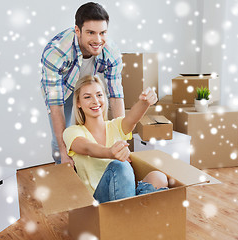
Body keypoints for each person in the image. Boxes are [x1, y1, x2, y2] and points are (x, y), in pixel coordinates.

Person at [40, 2, 124, 166]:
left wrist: (121, 144)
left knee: (92, 135)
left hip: (86, 88)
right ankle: (63, 170)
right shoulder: (55, 52)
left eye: (102, 33)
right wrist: (64, 154)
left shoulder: (111, 52)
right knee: (61, 143)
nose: (98, 40)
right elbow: (55, 105)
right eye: (91, 33)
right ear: (77, 30)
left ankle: (90, 174)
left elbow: (116, 96)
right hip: (61, 90)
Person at [63, 75, 168, 203]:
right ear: (78, 103)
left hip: (124, 196)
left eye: (99, 95)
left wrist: (144, 102)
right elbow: (87, 148)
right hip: (98, 202)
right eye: (87, 97)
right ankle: (132, 214)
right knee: (120, 165)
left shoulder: (115, 126)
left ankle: (133, 215)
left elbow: (132, 119)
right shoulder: (72, 131)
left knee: (158, 177)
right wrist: (110, 152)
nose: (95, 101)